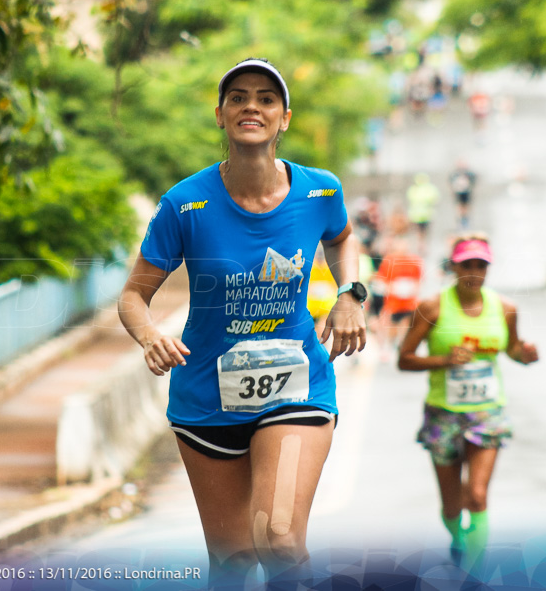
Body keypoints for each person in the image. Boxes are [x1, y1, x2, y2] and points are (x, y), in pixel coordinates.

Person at [118, 58, 367, 586]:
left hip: (297, 390)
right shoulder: (184, 204)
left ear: (284, 118)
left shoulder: (320, 191)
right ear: (220, 115)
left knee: (277, 538)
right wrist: (148, 337)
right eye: (238, 97)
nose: (251, 105)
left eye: (265, 98)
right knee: (232, 564)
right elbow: (133, 297)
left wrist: (350, 293)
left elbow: (342, 236)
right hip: (207, 400)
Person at [397, 234, 539, 568]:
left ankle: (474, 571)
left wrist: (526, 354)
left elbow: (513, 349)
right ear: (454, 267)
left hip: (487, 411)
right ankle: (459, 539)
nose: (474, 272)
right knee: (451, 505)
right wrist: (445, 361)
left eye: (481, 265)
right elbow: (404, 359)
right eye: (467, 265)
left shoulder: (505, 309)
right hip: (443, 412)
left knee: (476, 494)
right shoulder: (432, 307)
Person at [405, 173, 439, 256]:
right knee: (423, 232)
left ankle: (420, 246)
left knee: (420, 232)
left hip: (417, 215)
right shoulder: (430, 189)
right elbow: (435, 200)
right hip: (424, 215)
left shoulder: (413, 189)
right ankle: (422, 246)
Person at [449, 160, 478, 230]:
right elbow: (451, 182)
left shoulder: (469, 173)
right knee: (459, 207)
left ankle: (466, 220)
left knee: (466, 206)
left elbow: (474, 180)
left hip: (467, 192)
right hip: (458, 192)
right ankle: (460, 221)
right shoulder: (455, 174)